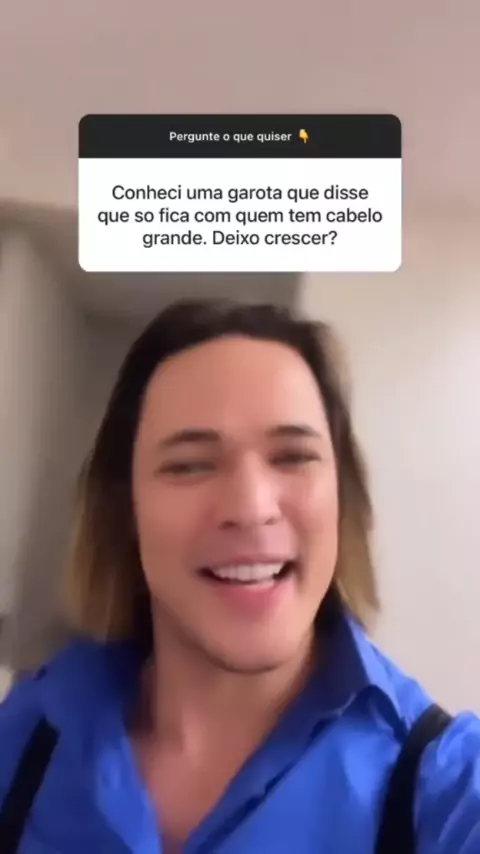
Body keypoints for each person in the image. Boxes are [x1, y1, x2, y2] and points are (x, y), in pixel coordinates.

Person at [0, 299, 478, 854]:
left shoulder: (445, 789)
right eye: (189, 464)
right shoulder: (24, 740)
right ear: (125, 508)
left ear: (341, 496)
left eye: (293, 456)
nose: (251, 508)